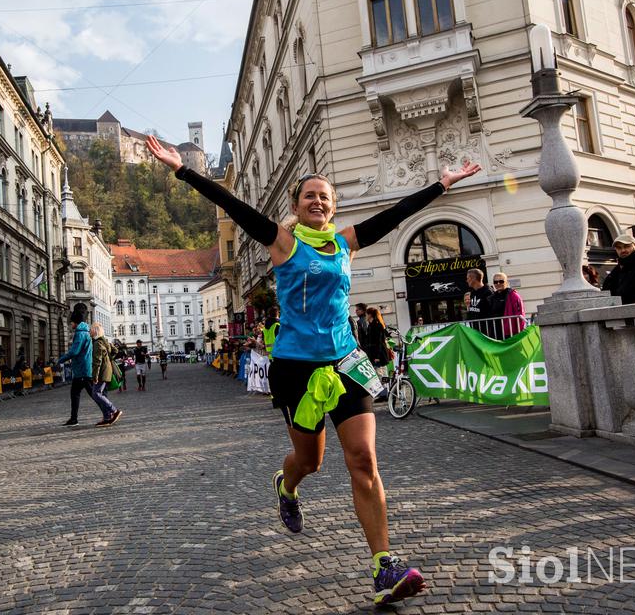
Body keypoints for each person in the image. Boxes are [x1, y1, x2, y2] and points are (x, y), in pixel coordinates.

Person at [146, 133, 481, 606]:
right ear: (298, 206)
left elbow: (392, 217)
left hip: (345, 362)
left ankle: (384, 567)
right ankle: (287, 484)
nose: (318, 202)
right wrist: (183, 170)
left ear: (333, 206)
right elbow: (236, 206)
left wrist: (440, 186)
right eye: (309, 196)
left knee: (363, 459)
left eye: (325, 197)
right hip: (297, 369)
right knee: (310, 461)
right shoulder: (282, 243)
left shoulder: (345, 244)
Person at [58, 311, 95, 427]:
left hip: (82, 370)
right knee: (76, 393)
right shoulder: (86, 332)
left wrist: (60, 360)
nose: (70, 325)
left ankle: (110, 410)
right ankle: (73, 419)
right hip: (83, 369)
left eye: (71, 322)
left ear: (75, 322)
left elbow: (74, 351)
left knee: (94, 394)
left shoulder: (80, 333)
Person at [90, 323, 123, 427]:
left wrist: (94, 377)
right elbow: (115, 350)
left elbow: (97, 362)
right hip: (108, 371)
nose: (89, 332)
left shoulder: (97, 343)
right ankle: (107, 417)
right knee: (102, 394)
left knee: (96, 393)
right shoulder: (105, 341)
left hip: (102, 372)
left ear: (95, 331)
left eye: (90, 330)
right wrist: (108, 360)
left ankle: (114, 410)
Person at [489, 273, 527, 339]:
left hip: (510, 332)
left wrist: (520, 333)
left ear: (506, 282)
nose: (498, 283)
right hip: (495, 332)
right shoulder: (492, 297)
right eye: (495, 282)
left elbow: (520, 314)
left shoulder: (513, 295)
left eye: (501, 281)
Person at [465, 269, 494, 336]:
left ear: (473, 279)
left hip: (486, 333)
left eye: (468, 278)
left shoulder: (488, 292)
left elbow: (492, 312)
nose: (467, 281)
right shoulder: (472, 292)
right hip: (475, 331)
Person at [363, 307, 391, 373]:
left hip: (379, 355)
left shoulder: (377, 325)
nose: (365, 316)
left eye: (366, 314)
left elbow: (379, 342)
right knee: (378, 375)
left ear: (370, 315)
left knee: (382, 375)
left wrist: (377, 357)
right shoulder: (370, 325)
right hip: (373, 355)